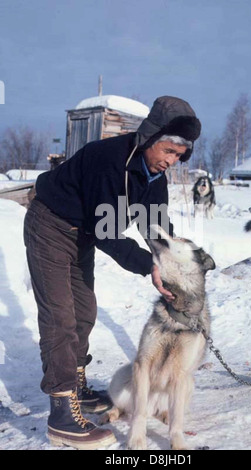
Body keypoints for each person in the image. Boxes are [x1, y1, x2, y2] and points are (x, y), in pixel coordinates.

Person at [23, 95, 201, 450]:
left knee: (84, 313)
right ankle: (61, 414)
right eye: (168, 151)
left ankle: (76, 385)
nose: (171, 161)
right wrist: (147, 265)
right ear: (150, 138)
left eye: (179, 156)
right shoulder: (109, 160)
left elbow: (155, 227)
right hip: (51, 226)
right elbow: (107, 232)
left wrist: (170, 262)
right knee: (61, 318)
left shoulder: (155, 177)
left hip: (82, 236)